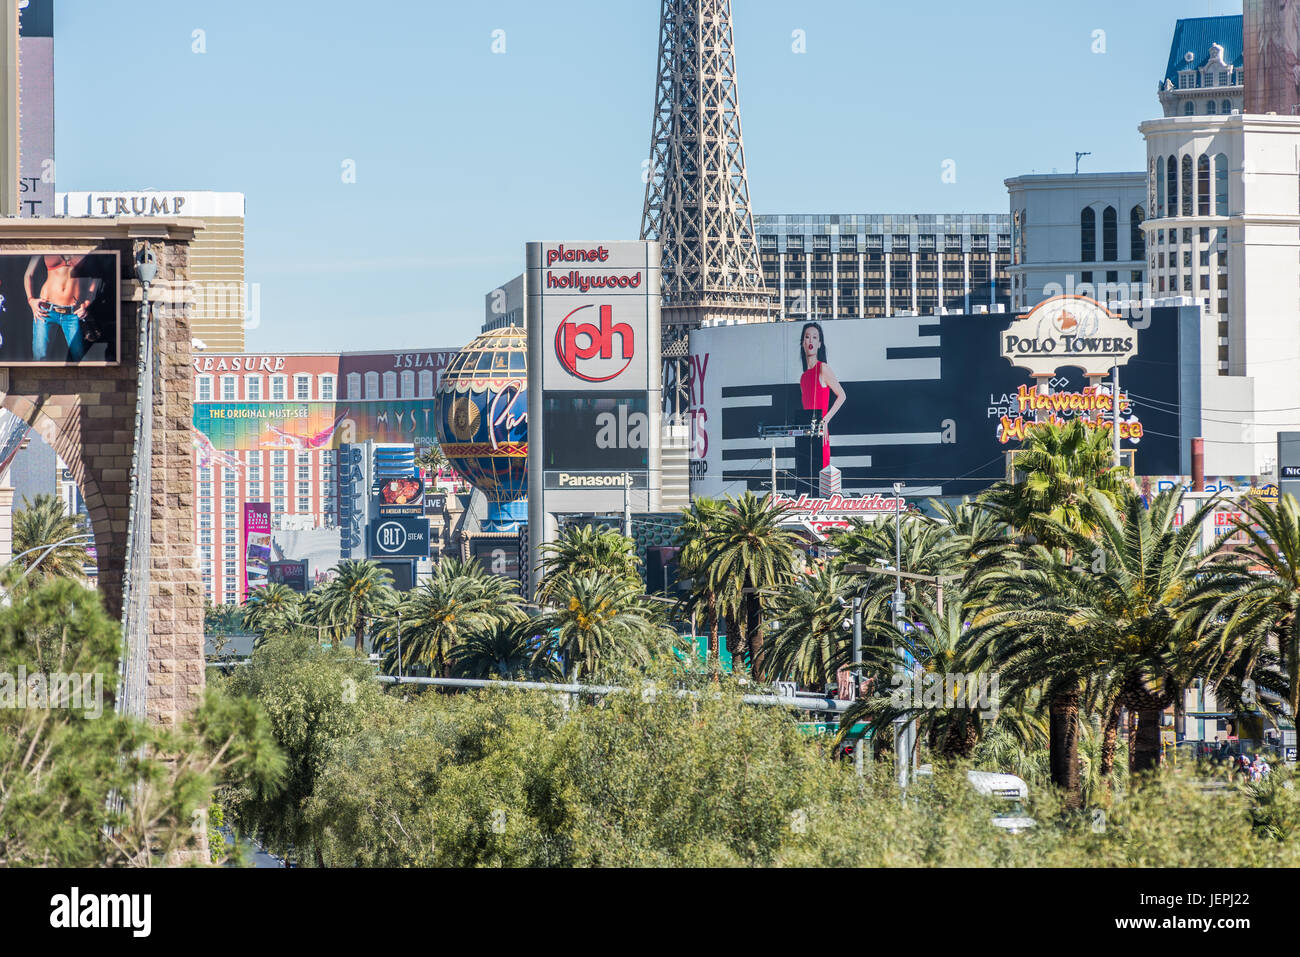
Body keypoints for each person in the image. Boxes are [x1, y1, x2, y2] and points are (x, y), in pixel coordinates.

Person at [795, 322, 846, 491]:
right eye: (807, 337)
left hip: (820, 431)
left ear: (819, 343)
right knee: (804, 475)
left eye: (814, 337)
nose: (810, 340)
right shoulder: (803, 377)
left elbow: (842, 395)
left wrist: (825, 420)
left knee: (821, 476)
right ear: (803, 342)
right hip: (805, 432)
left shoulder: (823, 368)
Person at [24, 253, 101, 362]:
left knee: (80, 359)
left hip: (73, 313)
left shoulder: (83, 246)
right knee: (40, 358)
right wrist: (30, 300)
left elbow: (95, 277)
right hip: (46, 310)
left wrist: (87, 303)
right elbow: (28, 274)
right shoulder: (45, 244)